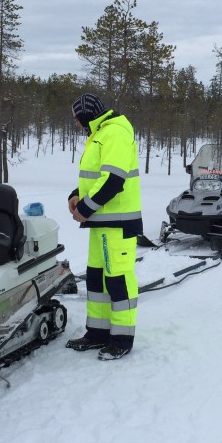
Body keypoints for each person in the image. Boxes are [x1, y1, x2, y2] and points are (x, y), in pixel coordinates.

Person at [66, 93, 142, 360]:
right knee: (97, 278)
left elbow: (114, 180)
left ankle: (122, 338)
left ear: (87, 115)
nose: (75, 124)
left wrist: (84, 209)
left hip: (118, 222)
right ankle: (97, 333)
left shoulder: (115, 132)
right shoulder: (100, 133)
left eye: (76, 118)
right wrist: (76, 195)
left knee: (118, 280)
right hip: (100, 222)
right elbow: (96, 176)